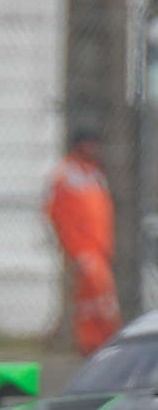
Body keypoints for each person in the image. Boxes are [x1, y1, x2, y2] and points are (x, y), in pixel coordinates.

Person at [44, 130, 122, 356]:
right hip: (83, 248)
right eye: (92, 144)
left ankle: (101, 344)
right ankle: (92, 344)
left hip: (99, 248)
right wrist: (73, 249)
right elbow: (59, 215)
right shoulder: (66, 174)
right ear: (80, 145)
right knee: (94, 300)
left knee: (100, 299)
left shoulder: (94, 174)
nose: (96, 150)